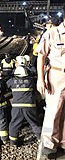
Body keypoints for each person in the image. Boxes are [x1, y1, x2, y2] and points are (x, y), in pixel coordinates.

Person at [36, 19, 65, 158]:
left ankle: (63, 142)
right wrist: (40, 79)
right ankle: (49, 144)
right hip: (57, 75)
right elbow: (41, 55)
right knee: (54, 111)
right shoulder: (52, 33)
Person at [7, 66, 41, 146]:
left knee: (14, 123)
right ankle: (40, 139)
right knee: (34, 123)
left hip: (16, 106)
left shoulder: (12, 81)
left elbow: (5, 86)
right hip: (29, 105)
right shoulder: (30, 80)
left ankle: (13, 142)